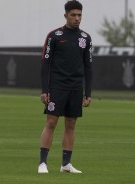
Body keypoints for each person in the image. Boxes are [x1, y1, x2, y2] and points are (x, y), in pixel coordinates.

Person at [38, 0, 93, 173]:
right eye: (73, 15)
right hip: (57, 86)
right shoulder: (54, 36)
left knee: (71, 124)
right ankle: (42, 163)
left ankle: (66, 164)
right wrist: (44, 90)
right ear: (65, 16)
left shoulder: (85, 38)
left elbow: (88, 66)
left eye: (79, 15)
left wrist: (88, 92)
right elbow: (45, 64)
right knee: (51, 122)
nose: (77, 18)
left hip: (76, 87)